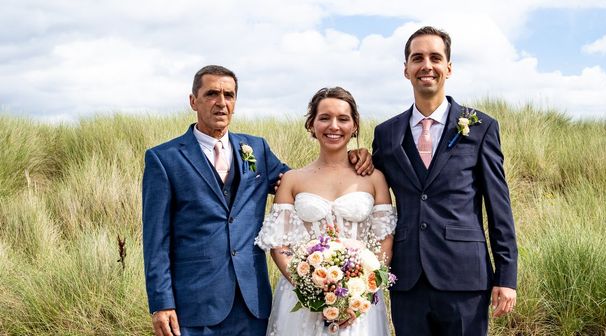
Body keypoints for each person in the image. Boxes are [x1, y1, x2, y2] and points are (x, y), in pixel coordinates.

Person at [142, 66, 373, 336]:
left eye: (229, 95)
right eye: (211, 94)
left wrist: (352, 159)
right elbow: (156, 239)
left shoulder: (255, 149)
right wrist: (161, 303)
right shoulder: (164, 159)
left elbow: (304, 184)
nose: (221, 102)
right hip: (194, 305)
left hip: (253, 304)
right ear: (193, 101)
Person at [372, 27, 517, 335]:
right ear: (406, 69)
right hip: (408, 279)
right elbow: (371, 187)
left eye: (435, 58)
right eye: (417, 58)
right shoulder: (386, 134)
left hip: (465, 278)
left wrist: (506, 277)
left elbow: (499, 207)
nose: (427, 65)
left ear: (448, 68)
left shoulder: (481, 127)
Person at [255, 87, 397, 336]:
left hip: (359, 303)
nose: (334, 126)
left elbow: (384, 244)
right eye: (324, 118)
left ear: (355, 126)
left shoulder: (374, 178)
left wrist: (360, 294)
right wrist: (312, 290)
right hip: (302, 301)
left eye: (343, 119)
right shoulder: (291, 179)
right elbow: (279, 245)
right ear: (311, 125)